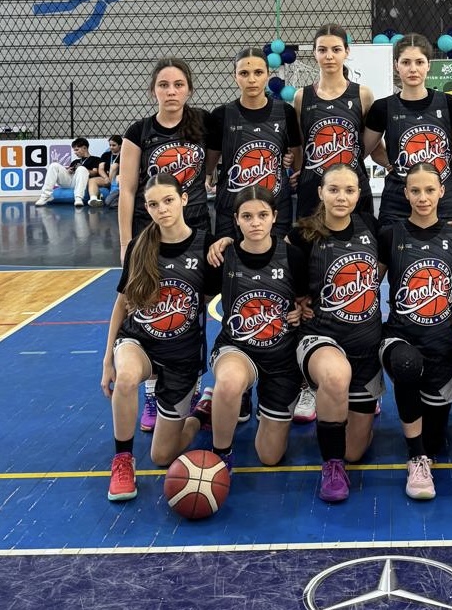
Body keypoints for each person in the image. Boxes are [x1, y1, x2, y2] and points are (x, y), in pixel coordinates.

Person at [100, 173, 218, 501]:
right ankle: (122, 460)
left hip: (182, 355)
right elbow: (122, 303)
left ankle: (200, 412)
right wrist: (108, 359)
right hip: (139, 341)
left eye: (168, 200)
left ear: (184, 200)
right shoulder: (140, 245)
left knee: (163, 456)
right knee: (126, 378)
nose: (162, 209)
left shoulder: (206, 246)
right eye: (153, 204)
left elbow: (217, 296)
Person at [118, 56, 213, 432]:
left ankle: (192, 385)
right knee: (150, 305)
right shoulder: (139, 131)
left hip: (195, 229)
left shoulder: (204, 123)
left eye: (178, 85)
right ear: (153, 90)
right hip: (151, 233)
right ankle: (152, 391)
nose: (171, 91)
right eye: (163, 85)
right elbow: (128, 190)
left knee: (192, 306)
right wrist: (126, 242)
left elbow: (215, 162)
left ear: (188, 89)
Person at [287, 163, 382, 503]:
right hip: (321, 337)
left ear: (359, 194)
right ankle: (331, 465)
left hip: (366, 346)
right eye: (334, 189)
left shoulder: (371, 226)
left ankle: (344, 409)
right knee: (336, 375)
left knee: (355, 450)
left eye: (349, 190)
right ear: (320, 193)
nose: (341, 197)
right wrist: (296, 303)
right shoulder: (301, 235)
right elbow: (277, 273)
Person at [376, 162, 452, 500]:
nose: (423, 197)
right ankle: (416, 458)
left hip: (443, 344)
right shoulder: (390, 235)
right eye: (415, 190)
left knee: (436, 441)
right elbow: (368, 286)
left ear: (442, 191)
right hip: (400, 338)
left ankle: (424, 444)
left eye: (430, 190)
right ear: (405, 193)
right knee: (406, 365)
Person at [204, 185, 303, 475]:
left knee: (270, 456)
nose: (255, 222)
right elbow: (201, 299)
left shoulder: (293, 256)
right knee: (230, 382)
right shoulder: (223, 256)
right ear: (236, 219)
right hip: (237, 348)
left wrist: (301, 313)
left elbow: (306, 302)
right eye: (247, 216)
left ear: (275, 216)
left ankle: (226, 407)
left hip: (282, 358)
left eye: (262, 215)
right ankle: (221, 454)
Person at [363, 33, 452, 224]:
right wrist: (391, 164)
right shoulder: (383, 107)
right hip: (398, 202)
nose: (413, 69)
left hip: (443, 201)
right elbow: (362, 152)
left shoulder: (448, 103)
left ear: (429, 65)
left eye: (419, 62)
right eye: (406, 62)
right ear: (396, 65)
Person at [207, 47, 301, 240]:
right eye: (244, 73)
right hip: (232, 210)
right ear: (235, 77)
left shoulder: (285, 112)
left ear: (267, 74)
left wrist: (289, 161)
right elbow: (209, 167)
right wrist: (207, 180)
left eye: (258, 72)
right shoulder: (222, 115)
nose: (251, 79)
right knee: (231, 258)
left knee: (277, 257)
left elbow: (297, 163)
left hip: (274, 210)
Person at [292, 24, 375, 219]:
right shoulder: (302, 97)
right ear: (314, 53)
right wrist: (300, 171)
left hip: (352, 186)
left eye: (336, 49)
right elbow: (301, 145)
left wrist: (392, 165)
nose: (329, 56)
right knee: (310, 237)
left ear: (346, 51)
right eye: (322, 50)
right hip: (313, 188)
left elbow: (371, 144)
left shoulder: (363, 94)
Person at [35, 137, 101, 207]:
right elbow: (69, 173)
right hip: (71, 181)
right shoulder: (75, 161)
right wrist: (69, 171)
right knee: (54, 165)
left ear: (84, 148)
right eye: (74, 150)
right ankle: (45, 196)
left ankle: (78, 198)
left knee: (81, 168)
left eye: (77, 150)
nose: (75, 152)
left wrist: (82, 168)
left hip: (83, 182)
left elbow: (94, 173)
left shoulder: (95, 159)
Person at [88, 135, 122, 207]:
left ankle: (113, 191)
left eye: (114, 145)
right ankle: (93, 199)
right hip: (106, 178)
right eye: (110, 145)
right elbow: (100, 169)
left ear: (120, 145)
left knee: (114, 166)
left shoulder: (124, 155)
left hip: (118, 178)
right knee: (92, 180)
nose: (111, 147)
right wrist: (106, 178)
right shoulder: (106, 155)